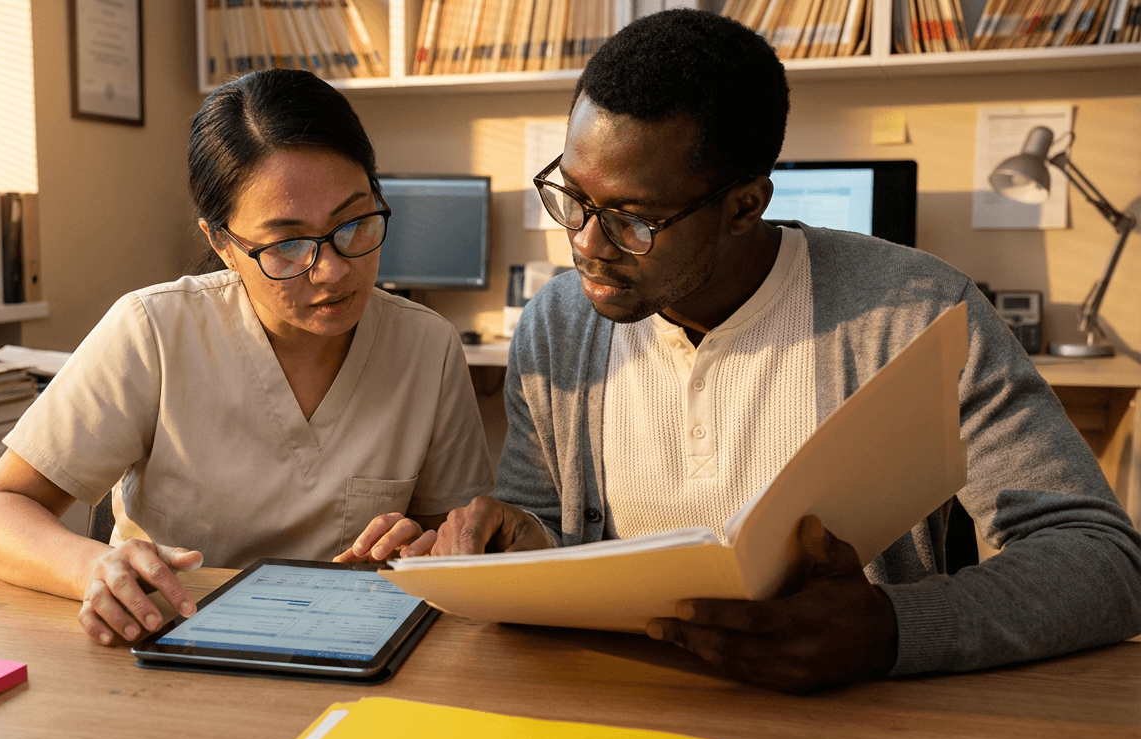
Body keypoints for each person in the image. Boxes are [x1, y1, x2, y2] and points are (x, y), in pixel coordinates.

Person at [346, 9, 1141, 692]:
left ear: (744, 205)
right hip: (620, 704)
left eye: (633, 219)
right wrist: (516, 542)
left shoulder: (918, 316)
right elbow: (548, 530)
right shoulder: (559, 324)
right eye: (573, 198)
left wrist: (892, 629)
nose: (586, 244)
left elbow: (1102, 559)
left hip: (851, 719)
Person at [0, 68, 494, 647]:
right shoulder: (154, 332)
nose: (334, 270)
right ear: (222, 243)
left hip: (355, 648)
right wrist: (91, 567)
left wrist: (420, 547)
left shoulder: (426, 346)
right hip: (175, 642)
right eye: (287, 244)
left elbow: (451, 539)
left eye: (354, 223)